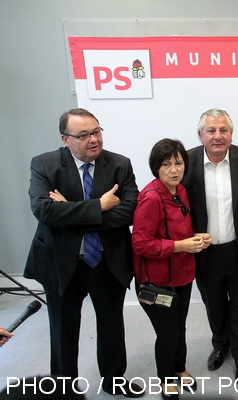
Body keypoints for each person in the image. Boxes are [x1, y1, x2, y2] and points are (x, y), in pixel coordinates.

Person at [24, 108, 143, 397]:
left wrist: (70, 211)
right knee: (63, 329)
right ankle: (64, 388)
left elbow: (130, 211)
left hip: (106, 260)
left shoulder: (119, 164)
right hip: (61, 262)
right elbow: (44, 211)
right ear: (66, 139)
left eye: (97, 131)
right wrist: (99, 206)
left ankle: (114, 380)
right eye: (84, 135)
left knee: (111, 324)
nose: (94, 140)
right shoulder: (44, 164)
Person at [182, 109, 238, 385]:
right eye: (212, 131)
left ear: (231, 133)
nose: (218, 136)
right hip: (205, 253)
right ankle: (220, 344)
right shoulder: (185, 162)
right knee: (214, 304)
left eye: (223, 130)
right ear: (200, 135)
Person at [132, 139, 210, 399]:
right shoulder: (151, 198)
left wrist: (198, 238)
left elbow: (182, 232)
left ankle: (179, 368)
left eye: (178, 163)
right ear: (156, 167)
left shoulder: (181, 191)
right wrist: (179, 246)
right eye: (166, 164)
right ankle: (165, 378)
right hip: (156, 281)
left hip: (182, 275)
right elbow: (141, 244)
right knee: (167, 333)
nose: (174, 169)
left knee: (180, 326)